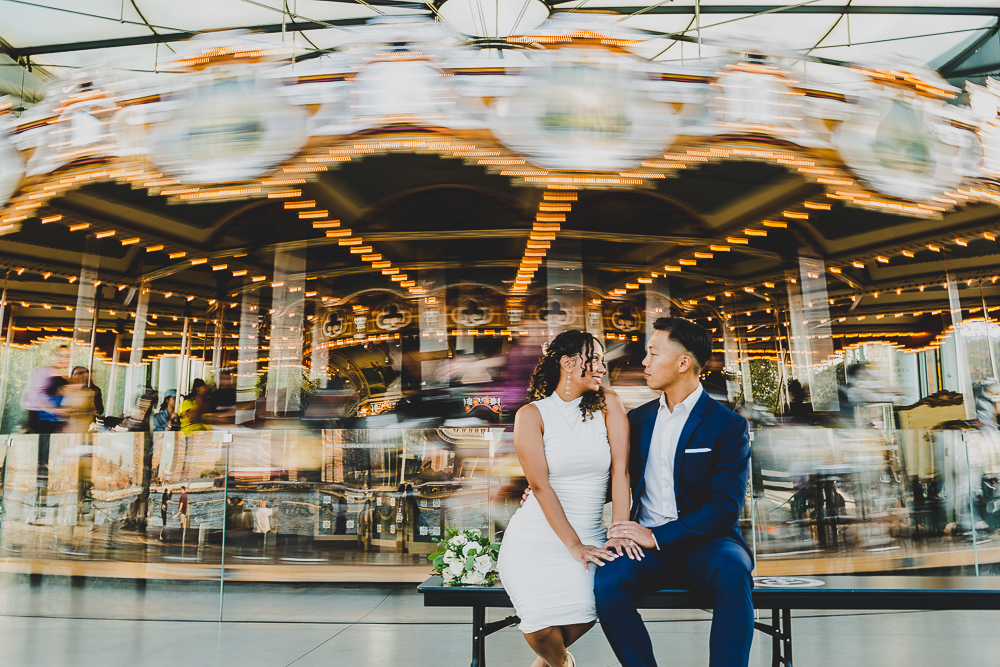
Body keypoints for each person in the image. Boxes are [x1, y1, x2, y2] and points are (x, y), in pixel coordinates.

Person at [598, 317, 753, 667]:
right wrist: (542, 491)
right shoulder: (637, 420)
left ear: (683, 363)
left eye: (653, 353)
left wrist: (656, 536)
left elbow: (724, 509)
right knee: (607, 582)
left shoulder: (728, 425)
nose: (644, 362)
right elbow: (613, 480)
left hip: (708, 544)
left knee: (733, 569)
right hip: (644, 548)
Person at [497, 330, 634, 667]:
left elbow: (621, 473)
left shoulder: (609, 404)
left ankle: (552, 664)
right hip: (535, 536)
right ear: (568, 363)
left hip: (590, 532)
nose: (602, 367)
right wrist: (574, 546)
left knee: (586, 612)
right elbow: (540, 486)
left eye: (603, 360)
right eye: (595, 359)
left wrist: (618, 531)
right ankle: (563, 664)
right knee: (539, 626)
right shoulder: (531, 415)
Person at [20, 345, 70, 433]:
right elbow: (33, 397)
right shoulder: (42, 371)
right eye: (60, 355)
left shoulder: (64, 376)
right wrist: (53, 410)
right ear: (54, 356)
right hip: (39, 419)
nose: (63, 359)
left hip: (54, 421)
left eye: (66, 356)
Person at [62, 366, 96, 433]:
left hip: (83, 425)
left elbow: (94, 410)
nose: (77, 376)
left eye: (80, 374)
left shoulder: (90, 392)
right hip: (67, 425)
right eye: (75, 374)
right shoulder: (65, 390)